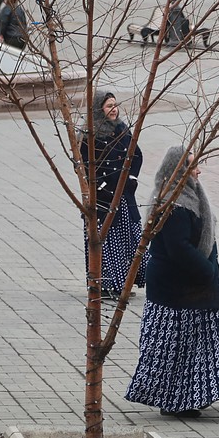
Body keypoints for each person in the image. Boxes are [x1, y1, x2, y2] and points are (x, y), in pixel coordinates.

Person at [125, 146, 219, 418]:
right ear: (179, 171)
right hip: (176, 290)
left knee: (195, 344)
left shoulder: (190, 195)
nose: (199, 170)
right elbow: (179, 249)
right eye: (192, 166)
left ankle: (191, 395)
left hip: (193, 286)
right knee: (172, 348)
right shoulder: (172, 205)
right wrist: (208, 272)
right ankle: (174, 399)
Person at [80, 92, 146, 300]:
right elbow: (87, 165)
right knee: (108, 241)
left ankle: (125, 283)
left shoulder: (122, 130)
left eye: (115, 105)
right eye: (109, 106)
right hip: (103, 199)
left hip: (124, 196)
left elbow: (137, 154)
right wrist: (102, 185)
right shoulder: (91, 136)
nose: (114, 109)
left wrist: (132, 179)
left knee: (131, 238)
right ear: (99, 110)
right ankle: (108, 285)